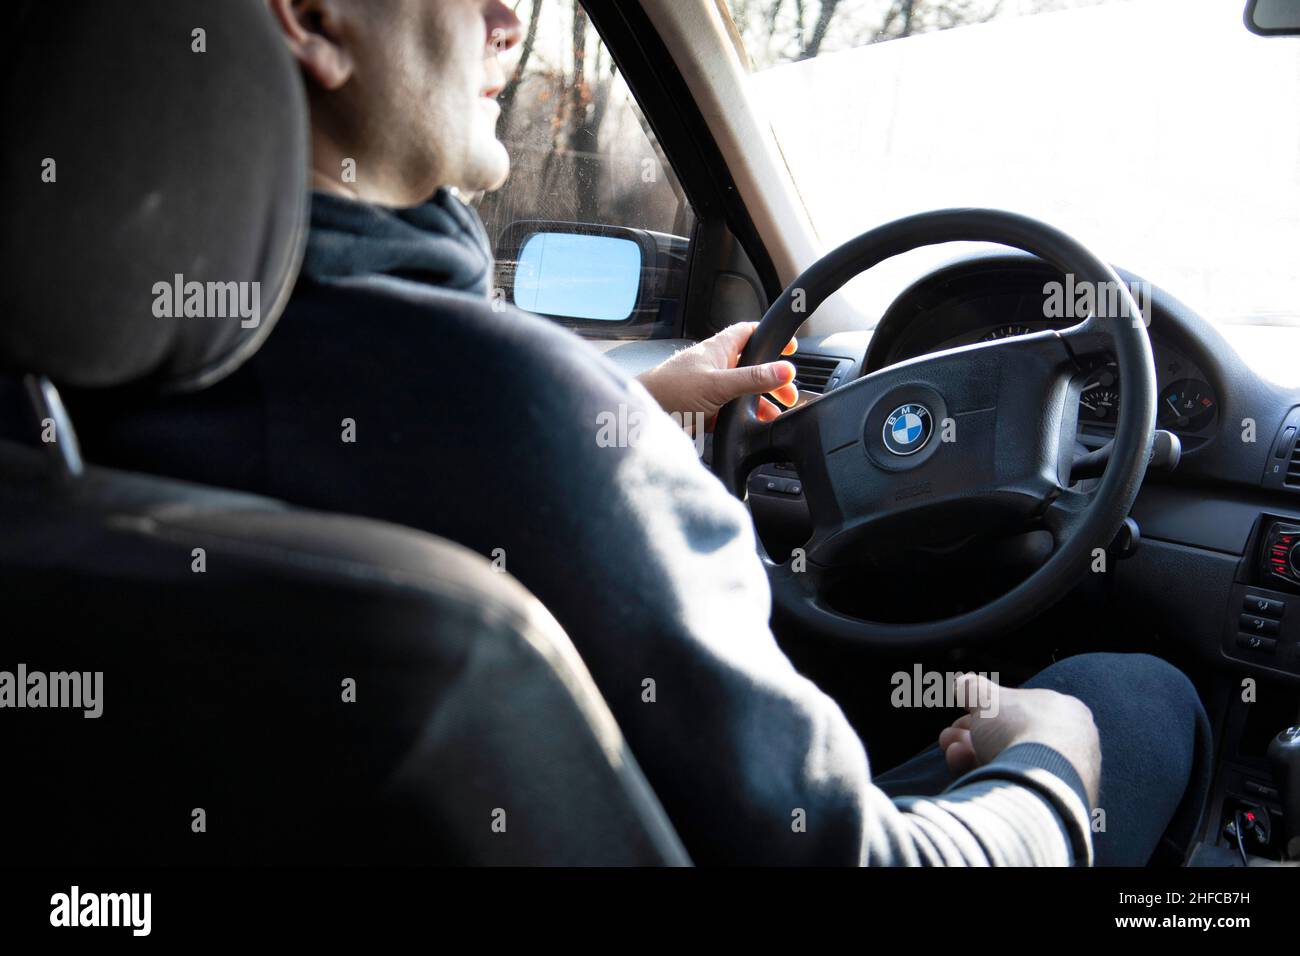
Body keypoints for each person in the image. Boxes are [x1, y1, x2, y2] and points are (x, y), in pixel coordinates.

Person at [66, 0, 1209, 865]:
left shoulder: (67, 402)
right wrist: (1053, 764)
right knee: (1132, 687)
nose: (509, 18)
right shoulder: (517, 416)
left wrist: (628, 416)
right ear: (312, 17)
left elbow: (386, 446)